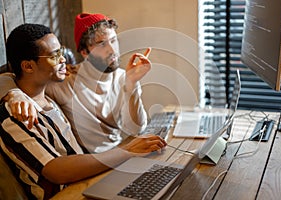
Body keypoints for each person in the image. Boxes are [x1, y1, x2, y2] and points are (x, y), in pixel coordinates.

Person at [0, 23, 166, 200]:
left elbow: (135, 127)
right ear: (28, 66)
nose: (63, 59)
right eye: (54, 55)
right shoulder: (19, 111)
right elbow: (56, 171)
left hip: (90, 180)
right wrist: (127, 152)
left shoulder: (48, 98)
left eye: (61, 51)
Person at [0, 13, 151, 153]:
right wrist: (15, 94)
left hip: (121, 151)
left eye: (113, 40)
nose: (112, 50)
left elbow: (136, 129)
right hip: (92, 162)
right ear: (84, 52)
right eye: (102, 44)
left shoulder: (124, 77)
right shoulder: (64, 80)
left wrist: (132, 84)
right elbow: (10, 77)